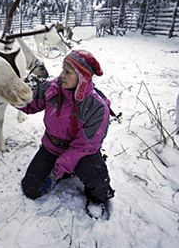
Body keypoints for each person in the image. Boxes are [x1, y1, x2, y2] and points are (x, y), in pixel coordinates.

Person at [18, 50, 115, 214]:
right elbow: (29, 104)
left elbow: (84, 145)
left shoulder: (97, 107)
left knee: (98, 184)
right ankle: (68, 172)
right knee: (31, 189)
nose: (62, 75)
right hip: (51, 148)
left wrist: (58, 170)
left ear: (82, 77)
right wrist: (10, 93)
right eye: (63, 69)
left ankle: (94, 192)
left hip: (83, 153)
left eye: (68, 72)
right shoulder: (52, 89)